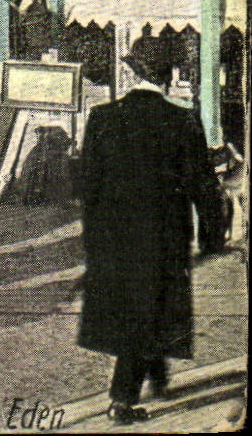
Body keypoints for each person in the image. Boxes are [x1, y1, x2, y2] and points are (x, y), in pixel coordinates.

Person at [78, 37, 225, 425]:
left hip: (113, 237)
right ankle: (122, 400)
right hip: (164, 237)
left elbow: (88, 188)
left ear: (134, 72)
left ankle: (157, 377)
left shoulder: (103, 117)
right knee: (149, 311)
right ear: (168, 76)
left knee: (138, 309)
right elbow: (204, 188)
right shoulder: (182, 120)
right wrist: (214, 237)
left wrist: (93, 241)